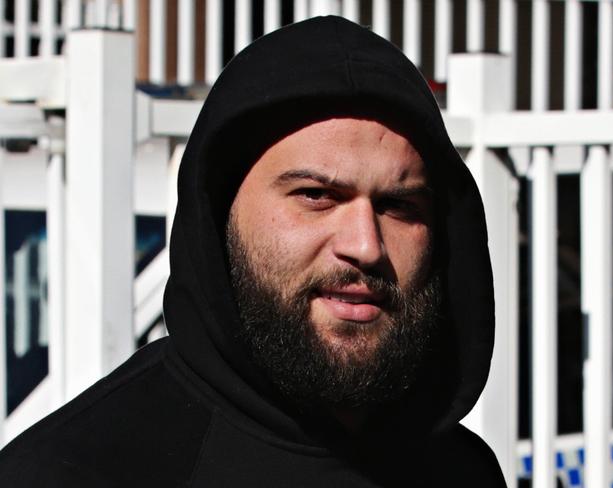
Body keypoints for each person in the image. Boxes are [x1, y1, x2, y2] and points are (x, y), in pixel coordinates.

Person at [0, 16, 505, 487]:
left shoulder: (460, 470)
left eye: (398, 205)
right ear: (220, 214)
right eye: (316, 196)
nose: (365, 246)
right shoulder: (76, 472)